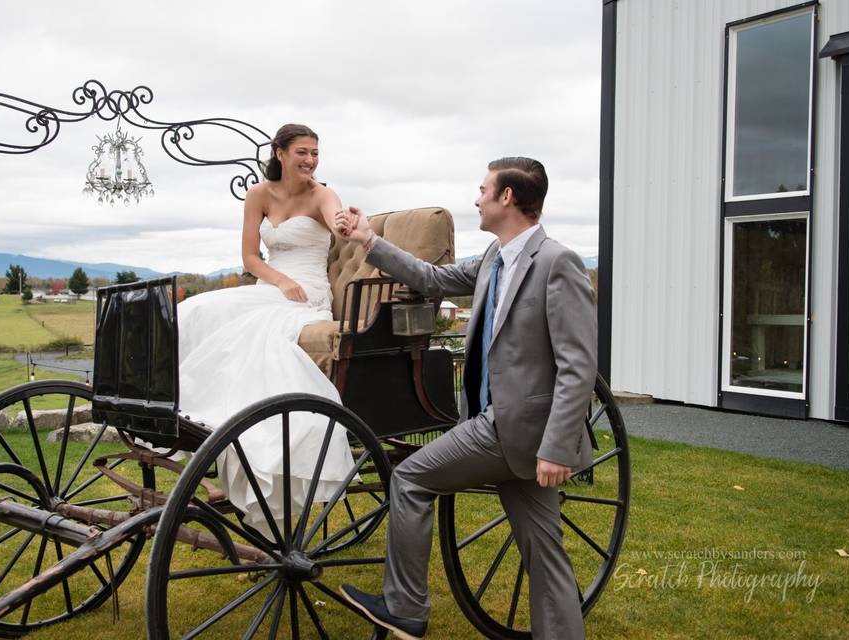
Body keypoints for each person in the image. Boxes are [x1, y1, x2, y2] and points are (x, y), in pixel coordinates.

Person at [336, 157, 596, 640]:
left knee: (410, 479)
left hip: (512, 429)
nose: (476, 199)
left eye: (483, 190)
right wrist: (367, 240)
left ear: (507, 198)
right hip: (510, 435)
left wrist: (558, 448)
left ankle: (406, 608)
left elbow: (578, 366)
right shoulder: (495, 259)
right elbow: (431, 280)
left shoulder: (558, 263)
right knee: (545, 552)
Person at [176, 123, 356, 536]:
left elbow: (338, 221)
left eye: (315, 153)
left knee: (257, 331)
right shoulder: (258, 194)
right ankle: (201, 415)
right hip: (273, 285)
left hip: (308, 292)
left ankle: (262, 445)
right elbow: (249, 257)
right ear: (280, 153)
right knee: (195, 310)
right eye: (302, 152)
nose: (310, 160)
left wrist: (346, 224)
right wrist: (278, 280)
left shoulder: (323, 195)